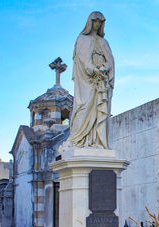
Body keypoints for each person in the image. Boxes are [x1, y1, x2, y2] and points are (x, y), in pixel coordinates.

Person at [67, 11, 114, 149]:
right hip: (87, 81)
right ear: (90, 22)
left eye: (100, 22)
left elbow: (111, 61)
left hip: (101, 81)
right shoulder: (82, 39)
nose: (97, 24)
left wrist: (104, 68)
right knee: (85, 106)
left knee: (99, 110)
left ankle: (97, 141)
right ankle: (77, 140)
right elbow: (82, 59)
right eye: (95, 21)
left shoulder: (103, 42)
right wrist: (93, 69)